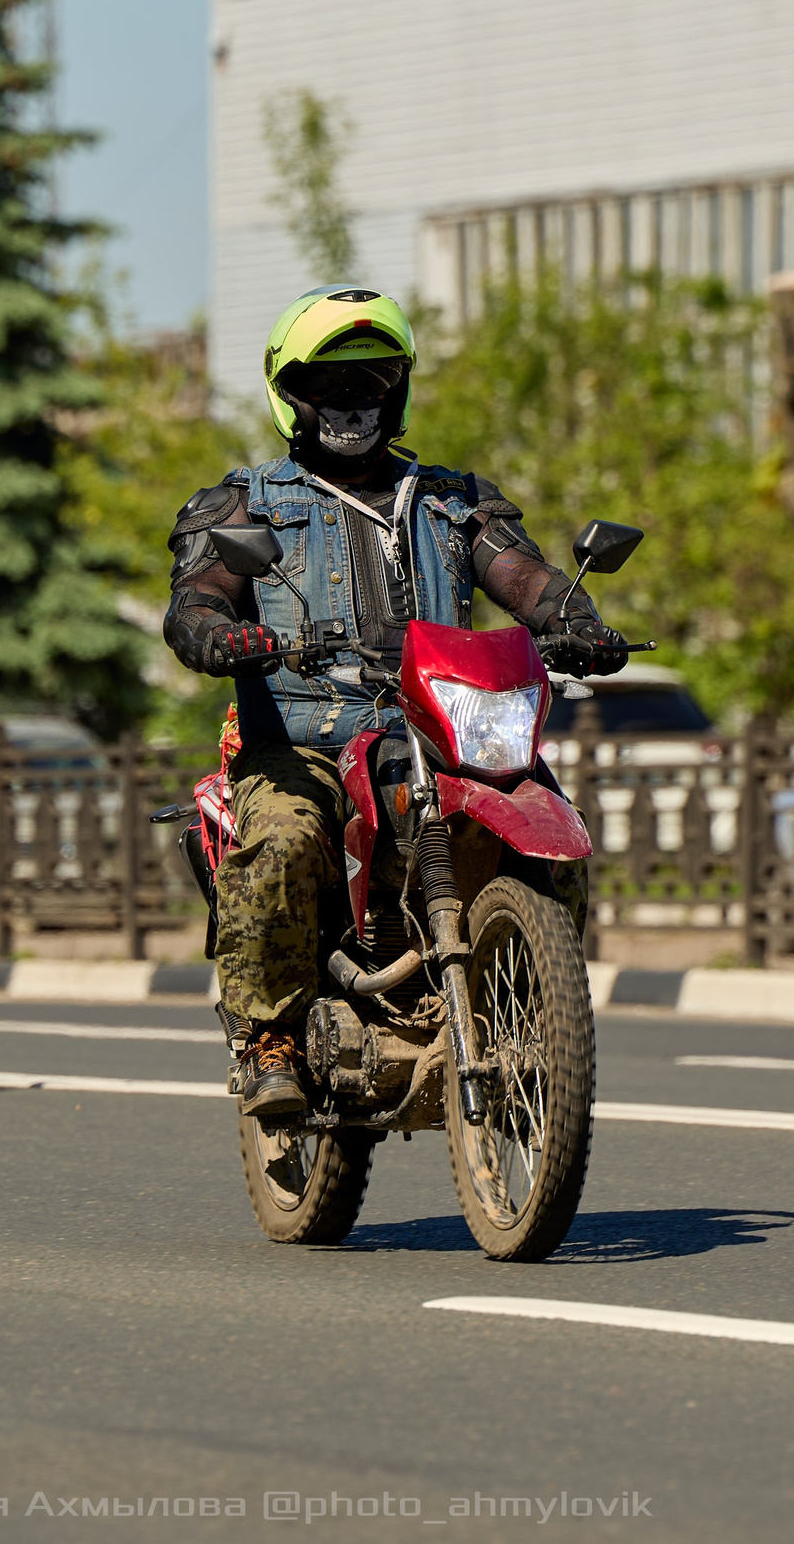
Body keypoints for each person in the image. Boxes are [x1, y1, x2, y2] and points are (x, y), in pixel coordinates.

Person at [162, 285, 632, 1118]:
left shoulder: (453, 500)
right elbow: (197, 596)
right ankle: (267, 1036)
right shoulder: (247, 501)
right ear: (290, 392)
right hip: (305, 738)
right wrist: (217, 632)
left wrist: (576, 619)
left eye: (372, 380)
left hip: (440, 731)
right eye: (332, 383)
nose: (354, 401)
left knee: (556, 834)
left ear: (399, 389)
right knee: (282, 839)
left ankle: (534, 1009)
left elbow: (521, 576)